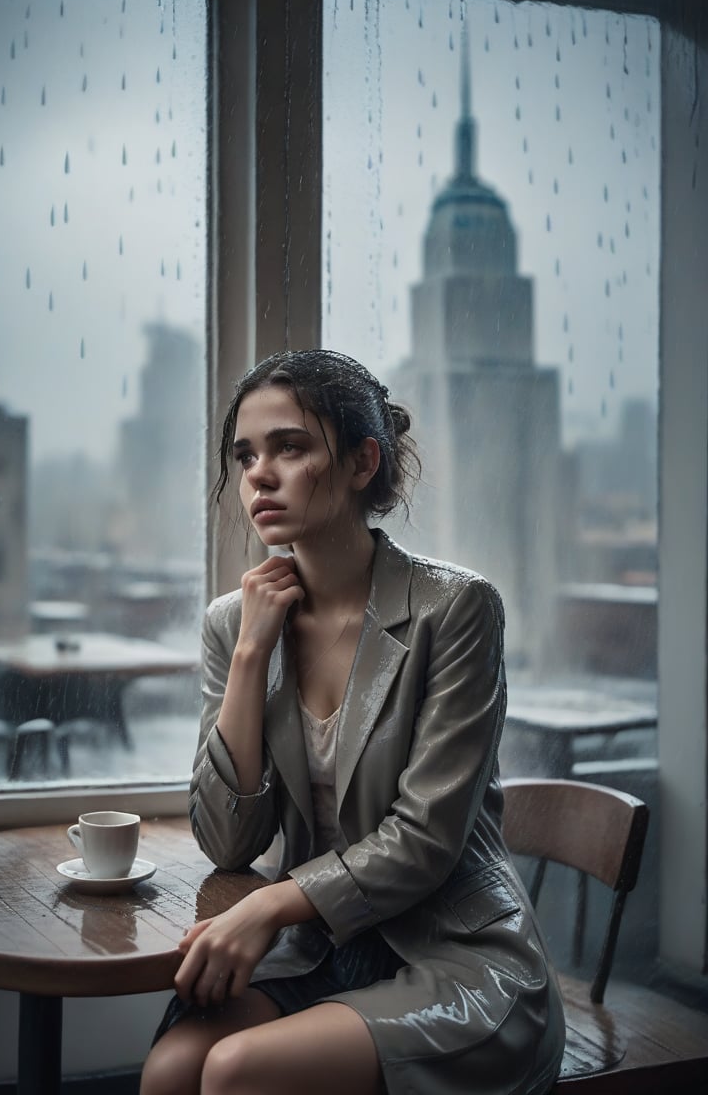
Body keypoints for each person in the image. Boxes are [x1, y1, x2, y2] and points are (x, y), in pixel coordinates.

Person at [141, 349, 565, 1095]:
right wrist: (249, 657)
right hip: (320, 950)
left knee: (237, 1071)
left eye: (290, 447)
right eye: (245, 456)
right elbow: (230, 839)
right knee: (173, 1068)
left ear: (363, 460)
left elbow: (428, 840)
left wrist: (272, 904)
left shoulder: (457, 610)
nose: (258, 476)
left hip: (456, 955)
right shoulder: (234, 623)